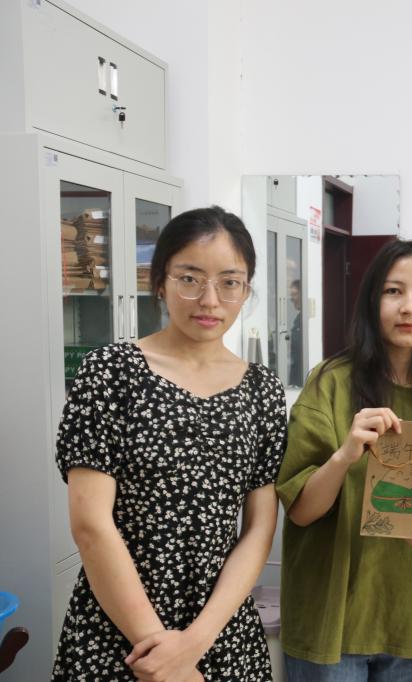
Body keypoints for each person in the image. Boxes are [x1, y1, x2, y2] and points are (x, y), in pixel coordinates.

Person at [52, 206, 286, 681]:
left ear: (246, 290)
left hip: (221, 632)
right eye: (190, 279)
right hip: (120, 633)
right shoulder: (110, 372)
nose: (209, 300)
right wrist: (161, 654)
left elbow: (259, 529)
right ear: (159, 281)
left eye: (230, 282)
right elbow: (91, 525)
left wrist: (194, 644)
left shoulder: (263, 390)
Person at [276, 239, 412, 681]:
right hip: (332, 622)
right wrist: (345, 454)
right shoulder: (329, 383)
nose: (410, 307)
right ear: (371, 300)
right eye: (393, 291)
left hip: (407, 617)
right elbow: (301, 510)